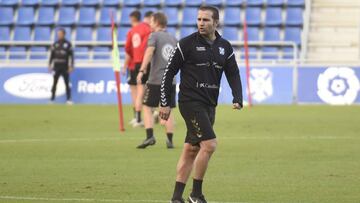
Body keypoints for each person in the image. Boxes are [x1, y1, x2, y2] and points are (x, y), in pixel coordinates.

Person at [159, 6, 243, 203]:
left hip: (209, 105)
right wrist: (165, 103)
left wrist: (237, 97)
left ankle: (176, 197)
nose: (201, 23)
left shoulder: (225, 47)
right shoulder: (186, 44)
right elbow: (168, 73)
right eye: (199, 19)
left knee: (191, 149)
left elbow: (233, 73)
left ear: (216, 23)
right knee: (210, 144)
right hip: (190, 102)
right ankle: (196, 194)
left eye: (205, 20)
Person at [136, 12, 177, 149]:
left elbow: (149, 52)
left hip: (156, 80)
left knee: (147, 107)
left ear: (157, 22)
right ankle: (170, 140)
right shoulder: (173, 38)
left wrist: (142, 70)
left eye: (152, 21)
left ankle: (149, 137)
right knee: (168, 110)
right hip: (171, 81)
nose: (150, 24)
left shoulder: (154, 36)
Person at [125, 10, 152, 127]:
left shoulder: (131, 31)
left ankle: (138, 118)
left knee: (137, 92)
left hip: (135, 62)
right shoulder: (147, 29)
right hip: (145, 62)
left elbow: (128, 49)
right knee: (145, 91)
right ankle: (143, 117)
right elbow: (149, 46)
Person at [48, 28, 74, 104]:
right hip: (56, 66)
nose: (59, 35)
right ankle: (52, 99)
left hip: (65, 66)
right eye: (58, 34)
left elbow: (71, 56)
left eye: (60, 34)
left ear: (64, 34)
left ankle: (68, 99)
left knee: (67, 83)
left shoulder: (68, 44)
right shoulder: (55, 44)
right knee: (55, 82)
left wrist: (71, 66)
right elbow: (52, 55)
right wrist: (50, 64)